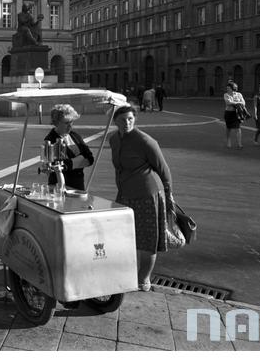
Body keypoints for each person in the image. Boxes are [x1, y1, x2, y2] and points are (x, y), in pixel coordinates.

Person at [109, 104, 175, 292]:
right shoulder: (113, 139)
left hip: (148, 195)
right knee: (126, 238)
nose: (127, 123)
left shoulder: (146, 141)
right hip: (125, 194)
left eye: (130, 119)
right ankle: (129, 274)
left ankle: (143, 279)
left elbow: (163, 170)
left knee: (147, 239)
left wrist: (169, 196)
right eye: (122, 120)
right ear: (115, 122)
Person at [43, 104, 94, 191]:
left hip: (78, 185)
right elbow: (57, 166)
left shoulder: (75, 135)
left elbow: (90, 159)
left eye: (72, 122)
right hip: (59, 186)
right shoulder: (50, 140)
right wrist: (80, 159)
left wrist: (71, 163)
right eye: (66, 123)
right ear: (56, 122)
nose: (70, 126)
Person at [223, 81, 246, 149]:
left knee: (238, 128)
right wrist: (238, 103)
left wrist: (235, 103)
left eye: (229, 88)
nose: (227, 89)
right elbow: (228, 102)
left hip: (237, 113)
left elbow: (243, 103)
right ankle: (228, 142)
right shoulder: (226, 94)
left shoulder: (239, 94)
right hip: (228, 113)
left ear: (233, 88)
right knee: (228, 128)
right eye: (227, 88)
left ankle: (239, 143)